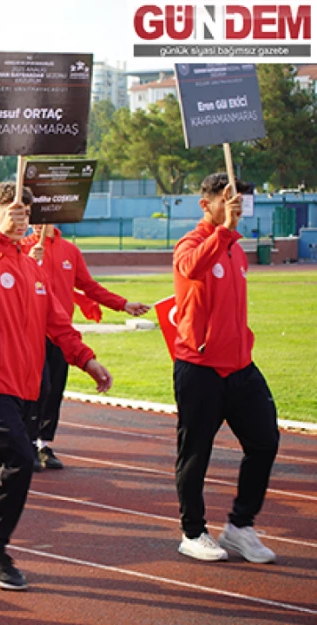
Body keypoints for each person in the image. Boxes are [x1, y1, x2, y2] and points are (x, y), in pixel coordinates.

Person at [0, 183, 112, 590]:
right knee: (20, 460)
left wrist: (87, 359)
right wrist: (1, 235)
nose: (21, 213)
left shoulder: (32, 269)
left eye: (25, 208)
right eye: (11, 209)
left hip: (29, 385)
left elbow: (58, 323)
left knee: (5, 464)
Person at [170, 174, 278, 564]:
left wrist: (229, 235)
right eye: (228, 199)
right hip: (199, 367)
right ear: (207, 204)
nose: (236, 207)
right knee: (195, 453)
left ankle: (239, 527)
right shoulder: (192, 242)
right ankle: (193, 532)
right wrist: (224, 232)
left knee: (265, 441)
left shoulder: (237, 249)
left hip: (240, 367)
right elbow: (191, 268)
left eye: (241, 201)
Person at [22, 224, 150, 469]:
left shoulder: (69, 250)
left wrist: (123, 304)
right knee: (38, 387)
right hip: (31, 331)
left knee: (55, 389)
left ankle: (44, 444)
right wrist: (28, 261)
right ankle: (26, 441)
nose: (39, 222)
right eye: (35, 217)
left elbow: (88, 286)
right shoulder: (24, 248)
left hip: (61, 332)